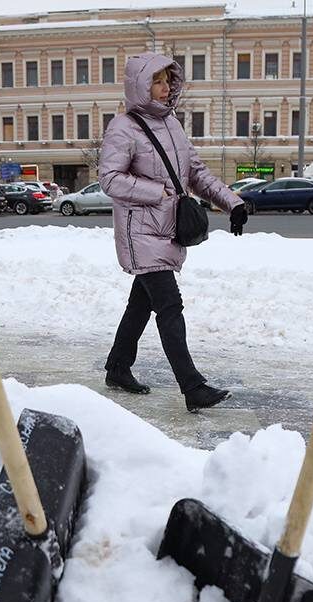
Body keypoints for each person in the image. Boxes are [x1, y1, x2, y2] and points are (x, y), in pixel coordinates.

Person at [98, 52, 248, 412]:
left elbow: (195, 172)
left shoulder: (173, 125)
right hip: (141, 233)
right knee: (169, 305)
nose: (166, 89)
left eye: (168, 81)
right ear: (141, 85)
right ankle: (192, 386)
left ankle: (118, 367)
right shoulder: (123, 127)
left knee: (141, 303)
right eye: (158, 81)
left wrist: (232, 202)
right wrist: (159, 192)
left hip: (166, 231)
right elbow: (109, 179)